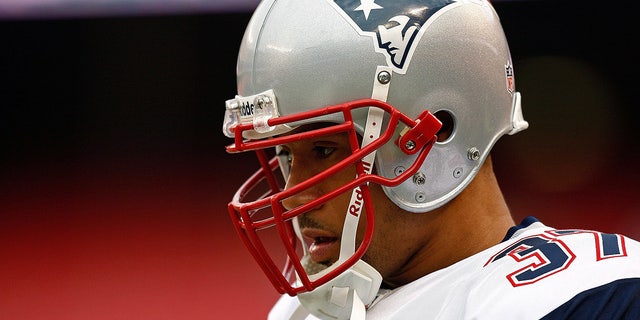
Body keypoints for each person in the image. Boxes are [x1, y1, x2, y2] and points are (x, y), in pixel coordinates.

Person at [221, 0, 640, 319]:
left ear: (438, 132)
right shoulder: (305, 310)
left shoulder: (586, 297)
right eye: (283, 154)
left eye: (324, 150)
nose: (293, 196)